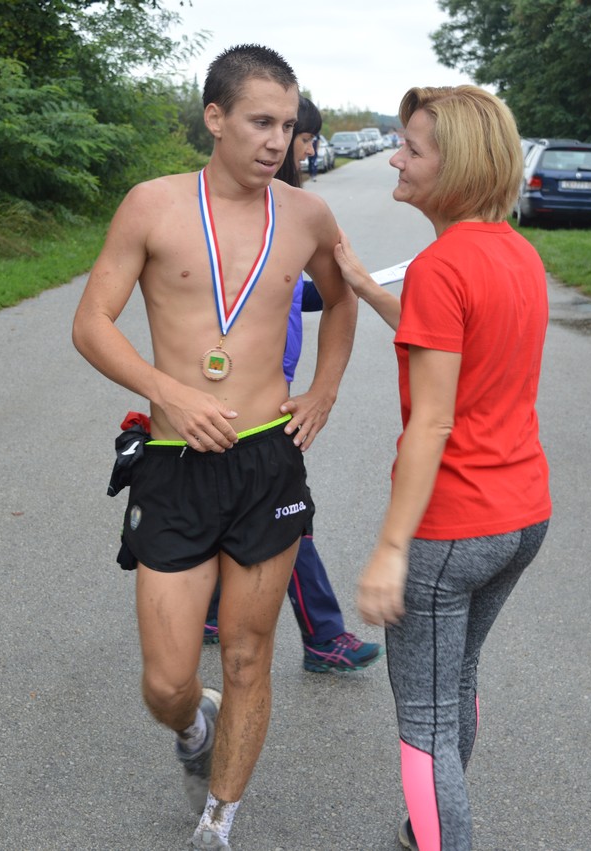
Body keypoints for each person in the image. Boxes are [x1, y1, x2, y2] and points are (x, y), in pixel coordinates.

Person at [71, 45, 357, 850]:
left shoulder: (307, 216)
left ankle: (219, 822)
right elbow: (90, 323)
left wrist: (325, 388)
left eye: (289, 126)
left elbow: (342, 304)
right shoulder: (153, 205)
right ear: (216, 118)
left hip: (268, 458)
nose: (278, 140)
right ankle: (192, 727)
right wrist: (170, 391)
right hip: (175, 464)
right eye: (261, 122)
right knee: (167, 679)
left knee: (246, 655)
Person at [334, 85, 551, 851]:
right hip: (522, 514)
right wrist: (365, 287)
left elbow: (433, 416)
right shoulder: (514, 253)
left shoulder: (440, 264)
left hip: (453, 528)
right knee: (456, 680)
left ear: (453, 165)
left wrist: (391, 549)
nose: (396, 155)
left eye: (412, 148)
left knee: (422, 721)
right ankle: (428, 824)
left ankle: (440, 834)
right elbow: (453, 350)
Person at [203, 95, 383, 675]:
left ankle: (212, 612)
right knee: (288, 522)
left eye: (294, 134)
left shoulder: (295, 213)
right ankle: (324, 637)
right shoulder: (230, 209)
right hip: (249, 400)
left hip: (269, 392)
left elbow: (284, 290)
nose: (296, 147)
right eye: (301, 137)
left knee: (238, 510)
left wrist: (330, 293)